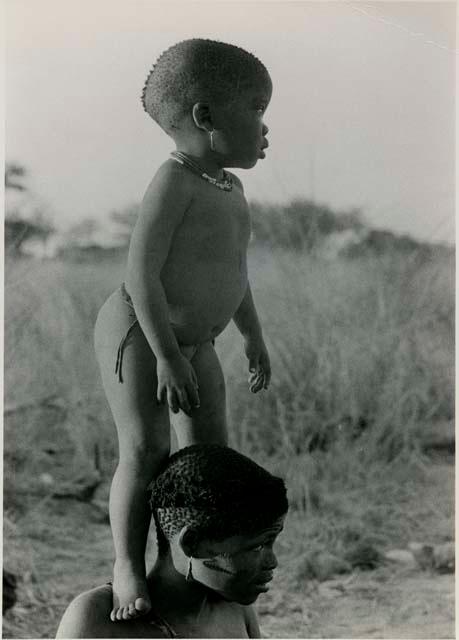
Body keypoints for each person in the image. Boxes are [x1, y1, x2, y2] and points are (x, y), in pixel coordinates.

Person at [94, 39, 273, 621]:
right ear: (206, 117)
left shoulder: (231, 187)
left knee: (207, 462)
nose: (265, 128)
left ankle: (184, 571)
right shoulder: (173, 181)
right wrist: (167, 356)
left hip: (196, 343)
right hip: (141, 331)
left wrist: (252, 337)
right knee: (146, 449)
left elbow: (235, 273)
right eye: (256, 108)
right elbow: (140, 274)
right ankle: (127, 566)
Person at [56, 445, 288, 638]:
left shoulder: (236, 610)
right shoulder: (95, 618)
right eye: (258, 545)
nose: (272, 562)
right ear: (192, 543)